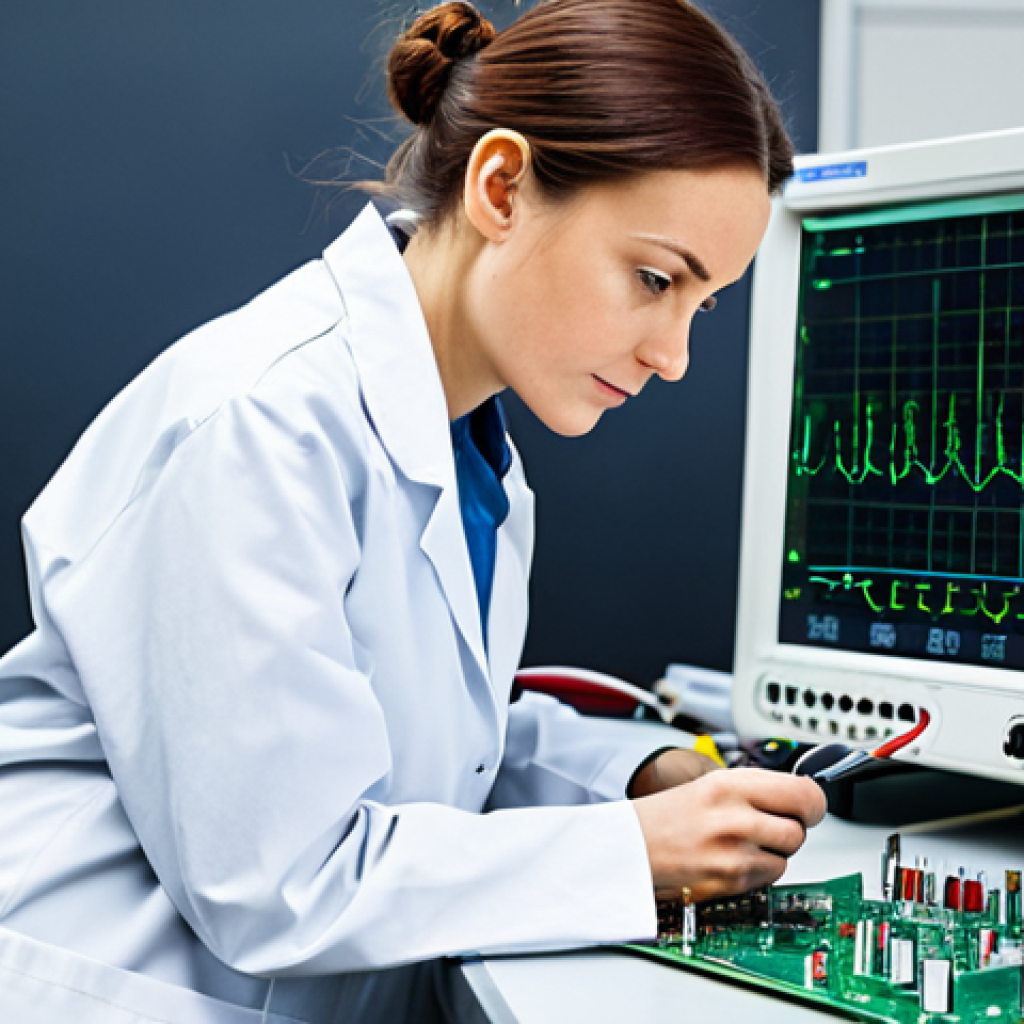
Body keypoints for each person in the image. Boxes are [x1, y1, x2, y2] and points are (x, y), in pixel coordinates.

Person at [0, 1, 826, 1021]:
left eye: (700, 305)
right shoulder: (262, 424)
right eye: (652, 279)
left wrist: (637, 770)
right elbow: (280, 880)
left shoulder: (461, 441)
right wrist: (631, 851)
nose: (673, 355)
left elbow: (422, 739)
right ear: (501, 188)